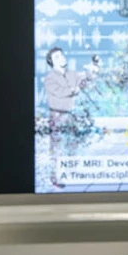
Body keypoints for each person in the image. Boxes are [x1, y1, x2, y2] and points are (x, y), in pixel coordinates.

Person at [42, 47, 98, 187]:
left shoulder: (72, 74)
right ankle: (55, 178)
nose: (61, 58)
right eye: (57, 57)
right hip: (57, 117)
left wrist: (94, 66)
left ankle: (71, 175)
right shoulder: (49, 78)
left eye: (61, 55)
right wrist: (74, 90)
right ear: (51, 63)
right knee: (57, 148)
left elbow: (88, 77)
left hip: (71, 116)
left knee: (73, 145)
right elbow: (60, 92)